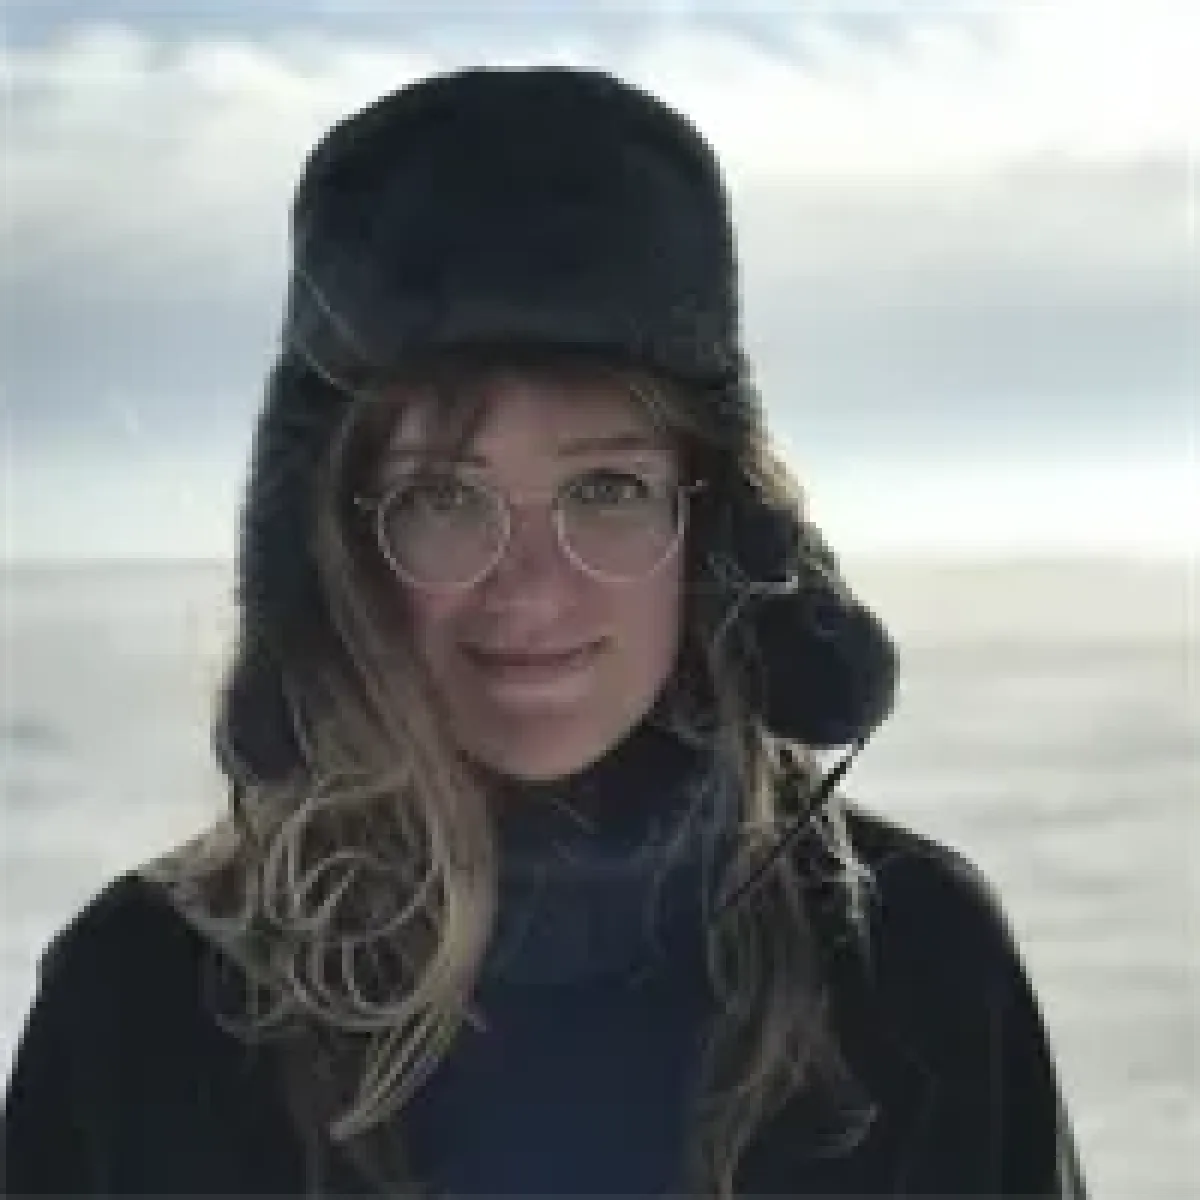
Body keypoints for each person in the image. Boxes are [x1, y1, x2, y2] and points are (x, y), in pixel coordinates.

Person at [1, 66, 1087, 1199]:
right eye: (441, 497)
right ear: (334, 543)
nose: (528, 592)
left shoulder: (918, 971)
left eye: (606, 491)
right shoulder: (142, 1005)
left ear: (714, 524)